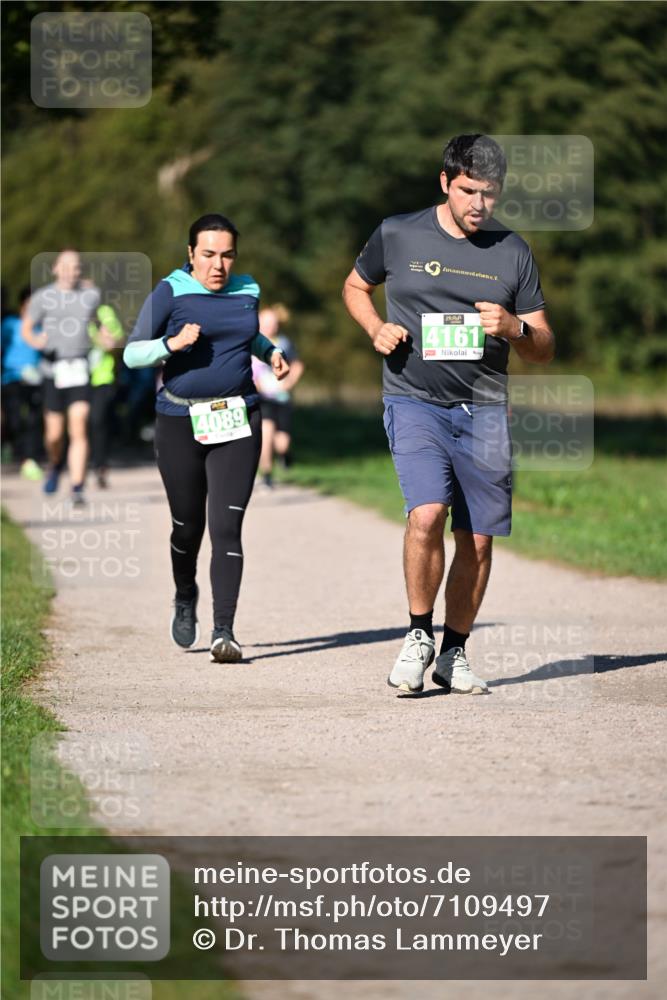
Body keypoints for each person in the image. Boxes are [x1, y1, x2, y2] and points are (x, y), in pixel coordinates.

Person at [343, 134, 555, 696]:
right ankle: (418, 635)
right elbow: (356, 286)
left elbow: (544, 346)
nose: (478, 204)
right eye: (467, 191)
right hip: (414, 399)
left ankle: (453, 652)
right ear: (445, 182)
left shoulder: (513, 250)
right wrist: (375, 328)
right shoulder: (398, 233)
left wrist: (516, 329)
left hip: (485, 409)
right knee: (428, 514)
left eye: (489, 193)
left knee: (478, 539)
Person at [123, 213, 290, 663]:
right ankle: (184, 593)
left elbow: (246, 335)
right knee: (187, 526)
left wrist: (270, 351)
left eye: (227, 255)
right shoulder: (171, 290)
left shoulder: (247, 289)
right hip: (179, 420)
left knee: (226, 527)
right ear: (191, 253)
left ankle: (224, 632)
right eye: (209, 254)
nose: (219, 265)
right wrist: (171, 345)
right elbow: (132, 353)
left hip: (238, 417)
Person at [22, 249, 101, 504]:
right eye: (65, 266)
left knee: (79, 424)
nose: (70, 271)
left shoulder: (91, 295)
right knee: (54, 435)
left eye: (75, 267)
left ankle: (77, 487)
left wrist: (104, 337)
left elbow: (97, 324)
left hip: (79, 368)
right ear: (55, 269)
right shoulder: (43, 297)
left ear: (80, 270)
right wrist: (36, 340)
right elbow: (26, 328)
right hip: (52, 370)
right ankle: (55, 464)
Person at [252, 303, 304, 487]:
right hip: (261, 398)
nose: (269, 326)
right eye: (265, 322)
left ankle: (285, 455)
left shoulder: (284, 343)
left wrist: (288, 384)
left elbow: (297, 365)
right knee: (266, 435)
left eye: (272, 323)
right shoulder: (250, 341)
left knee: (282, 443)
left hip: (281, 398)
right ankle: (267, 475)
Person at [1, 286, 44, 480]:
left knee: (34, 420)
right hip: (12, 379)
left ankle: (30, 458)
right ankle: (16, 449)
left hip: (35, 379)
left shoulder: (41, 327)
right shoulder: (9, 325)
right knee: (16, 419)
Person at [88, 303, 125, 488]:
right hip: (73, 377)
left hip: (102, 377)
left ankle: (100, 466)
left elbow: (117, 341)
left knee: (98, 422)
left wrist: (107, 340)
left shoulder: (104, 312)